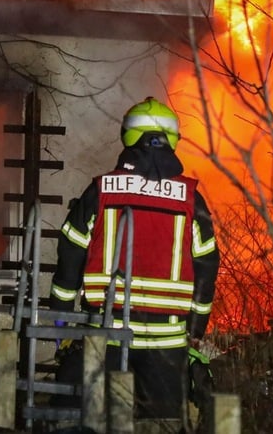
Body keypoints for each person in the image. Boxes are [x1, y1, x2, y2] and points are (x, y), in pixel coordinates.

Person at [48, 97, 219, 422]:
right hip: (166, 342)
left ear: (127, 135)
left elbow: (71, 251)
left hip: (106, 333)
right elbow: (207, 266)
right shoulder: (189, 199)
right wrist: (195, 329)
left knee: (96, 421)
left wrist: (59, 318)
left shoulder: (102, 190)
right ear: (172, 140)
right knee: (160, 424)